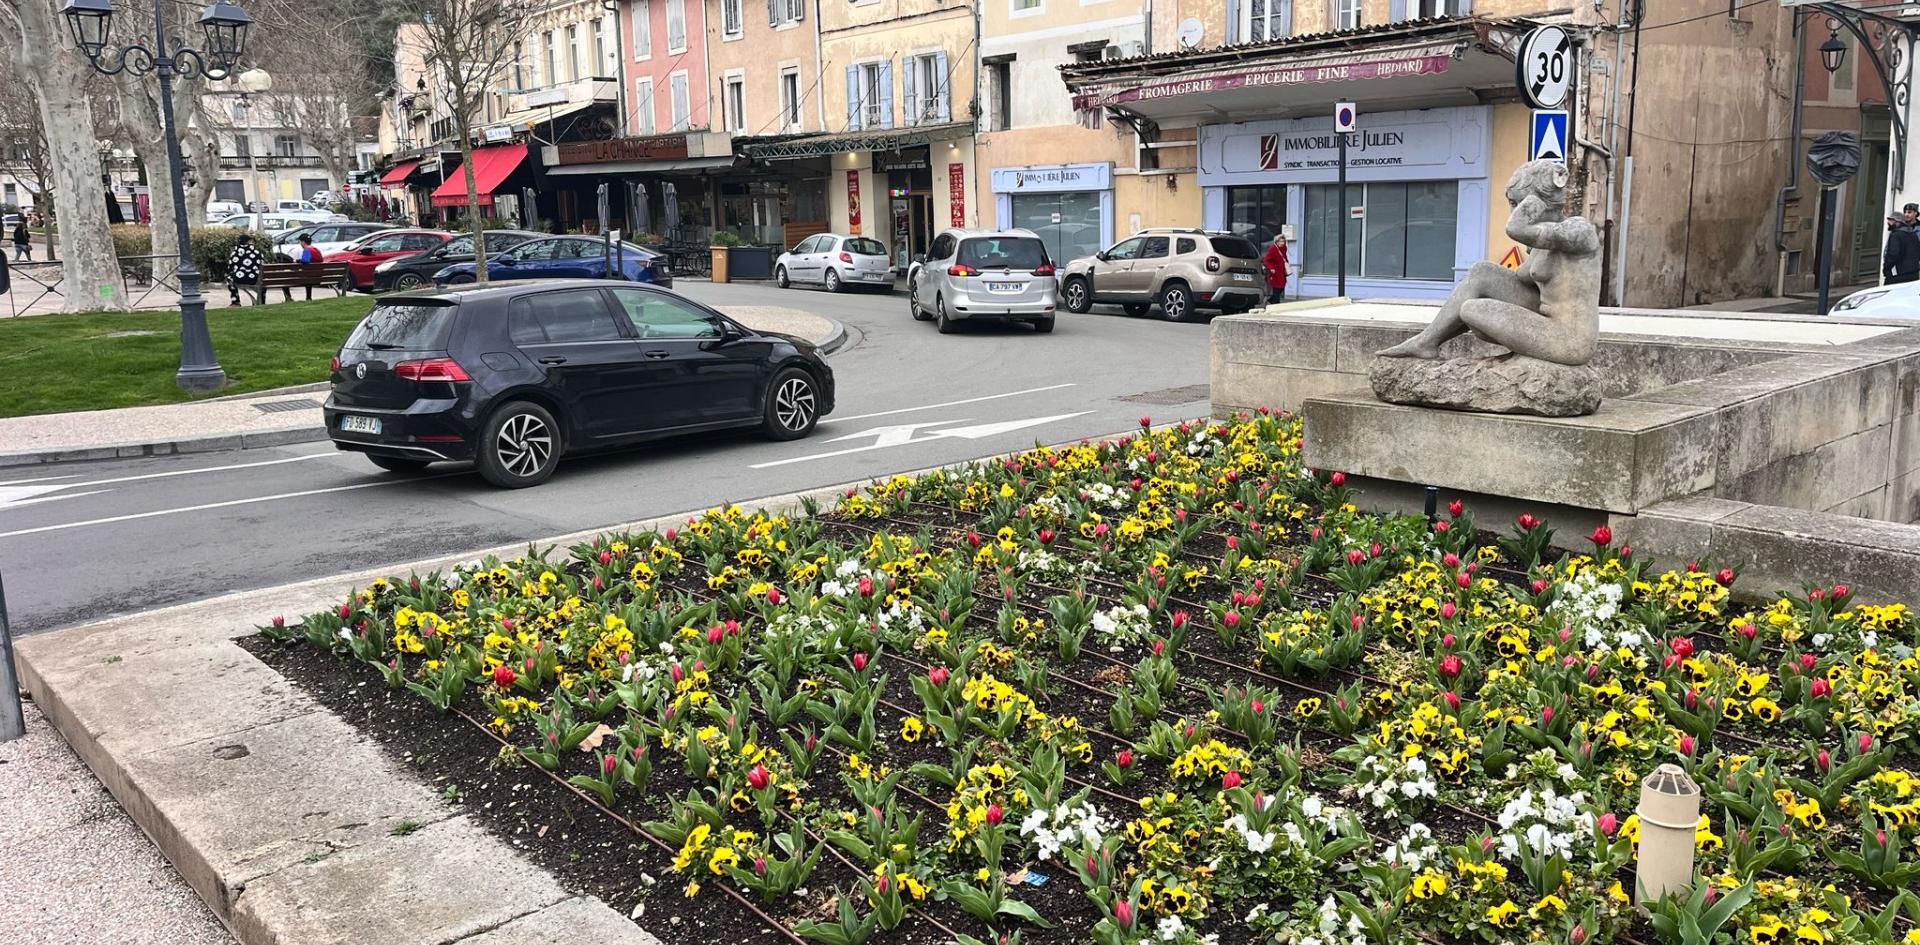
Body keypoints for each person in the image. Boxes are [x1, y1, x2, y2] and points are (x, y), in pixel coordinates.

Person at [1883, 215, 1919, 285]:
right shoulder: (1913, 234)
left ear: (1898, 222)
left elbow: (1893, 254)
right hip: (1914, 273)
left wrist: (1886, 268)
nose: (1888, 222)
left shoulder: (1896, 235)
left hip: (1898, 274)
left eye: (1891, 220)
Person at [226, 238, 263, 306]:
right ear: (249, 242)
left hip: (240, 279)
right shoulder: (257, 252)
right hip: (255, 279)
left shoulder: (235, 253)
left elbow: (230, 268)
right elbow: (262, 263)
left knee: (229, 279)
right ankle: (261, 300)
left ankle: (235, 301)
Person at [1261, 232, 1289, 304]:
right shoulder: (1272, 249)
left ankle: (1270, 300)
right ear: (1276, 242)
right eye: (1281, 241)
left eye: (1283, 241)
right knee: (1277, 288)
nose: (1282, 243)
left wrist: (1287, 265)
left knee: (1282, 287)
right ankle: (1275, 303)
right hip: (1275, 272)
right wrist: (1271, 268)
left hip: (1282, 271)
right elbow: (1266, 260)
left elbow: (1284, 257)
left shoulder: (1284, 248)